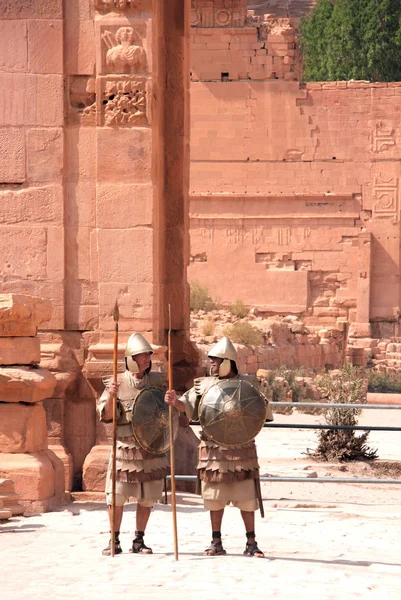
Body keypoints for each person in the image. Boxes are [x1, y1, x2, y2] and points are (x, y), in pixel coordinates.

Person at [165, 336, 273, 558]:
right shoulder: (203, 384)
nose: (211, 365)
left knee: (246, 496)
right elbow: (189, 407)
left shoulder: (248, 385)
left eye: (215, 361)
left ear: (228, 362)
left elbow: (261, 414)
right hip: (213, 449)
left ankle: (251, 543)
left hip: (242, 448)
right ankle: (216, 542)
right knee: (215, 496)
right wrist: (175, 402)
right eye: (210, 361)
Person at [98, 332, 169, 556]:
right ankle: (114, 540)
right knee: (116, 496)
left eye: (148, 355)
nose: (148, 358)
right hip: (124, 449)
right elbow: (108, 416)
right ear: (131, 358)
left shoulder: (158, 381)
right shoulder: (115, 383)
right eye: (143, 355)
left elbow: (166, 415)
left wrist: (170, 402)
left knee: (147, 496)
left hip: (150, 449)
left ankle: (139, 540)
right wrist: (111, 396)